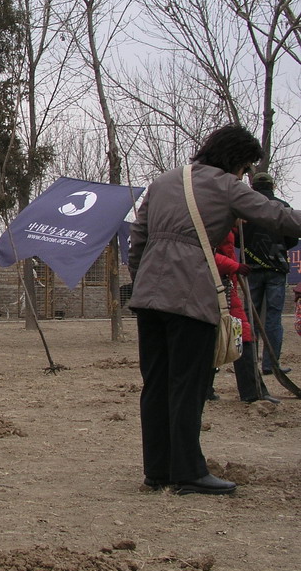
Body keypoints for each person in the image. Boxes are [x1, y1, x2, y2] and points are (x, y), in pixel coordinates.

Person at [128, 124, 301, 496]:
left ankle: (156, 471)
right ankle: (189, 472)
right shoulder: (226, 185)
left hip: (148, 296)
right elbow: (277, 217)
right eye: (245, 167)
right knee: (187, 386)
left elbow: (137, 240)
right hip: (190, 295)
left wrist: (143, 280)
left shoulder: (162, 182)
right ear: (236, 160)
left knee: (155, 384)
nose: (244, 175)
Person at [212, 228, 278, 403]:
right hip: (216, 285)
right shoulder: (214, 221)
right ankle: (252, 391)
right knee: (240, 334)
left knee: (217, 335)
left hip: (224, 284)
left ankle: (205, 389)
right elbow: (204, 255)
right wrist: (235, 266)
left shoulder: (228, 225)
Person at [242, 172, 297, 375]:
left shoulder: (246, 208)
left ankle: (249, 366)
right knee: (273, 317)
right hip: (276, 268)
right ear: (272, 186)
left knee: (250, 317)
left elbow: (239, 236)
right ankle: (270, 365)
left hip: (251, 268)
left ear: (253, 186)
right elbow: (292, 238)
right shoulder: (282, 206)